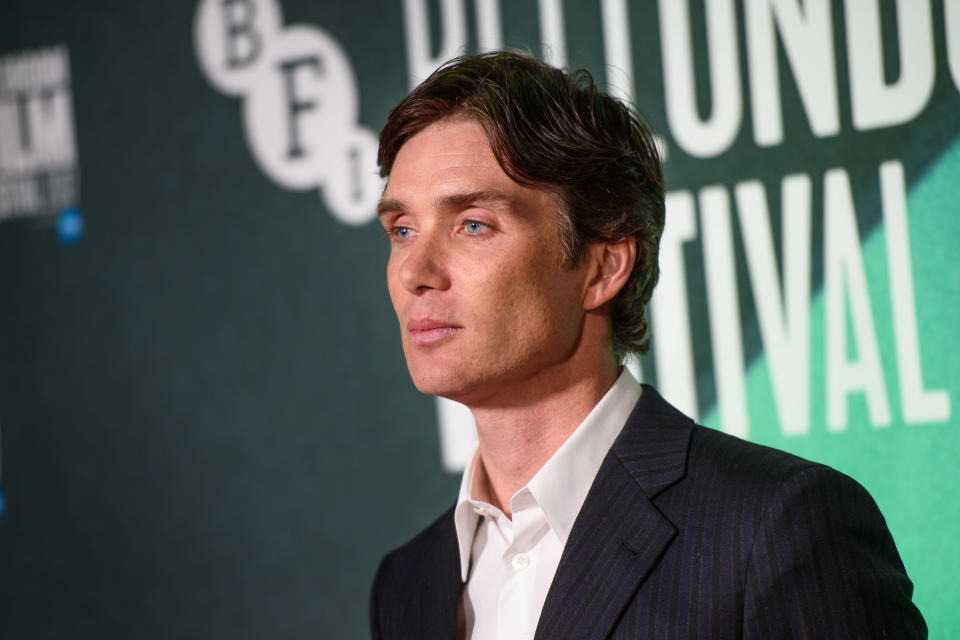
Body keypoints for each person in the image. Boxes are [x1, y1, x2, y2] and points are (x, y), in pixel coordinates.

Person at [369, 51, 926, 639]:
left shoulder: (776, 527)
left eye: (473, 224)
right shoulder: (406, 583)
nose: (415, 271)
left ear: (603, 266)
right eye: (402, 230)